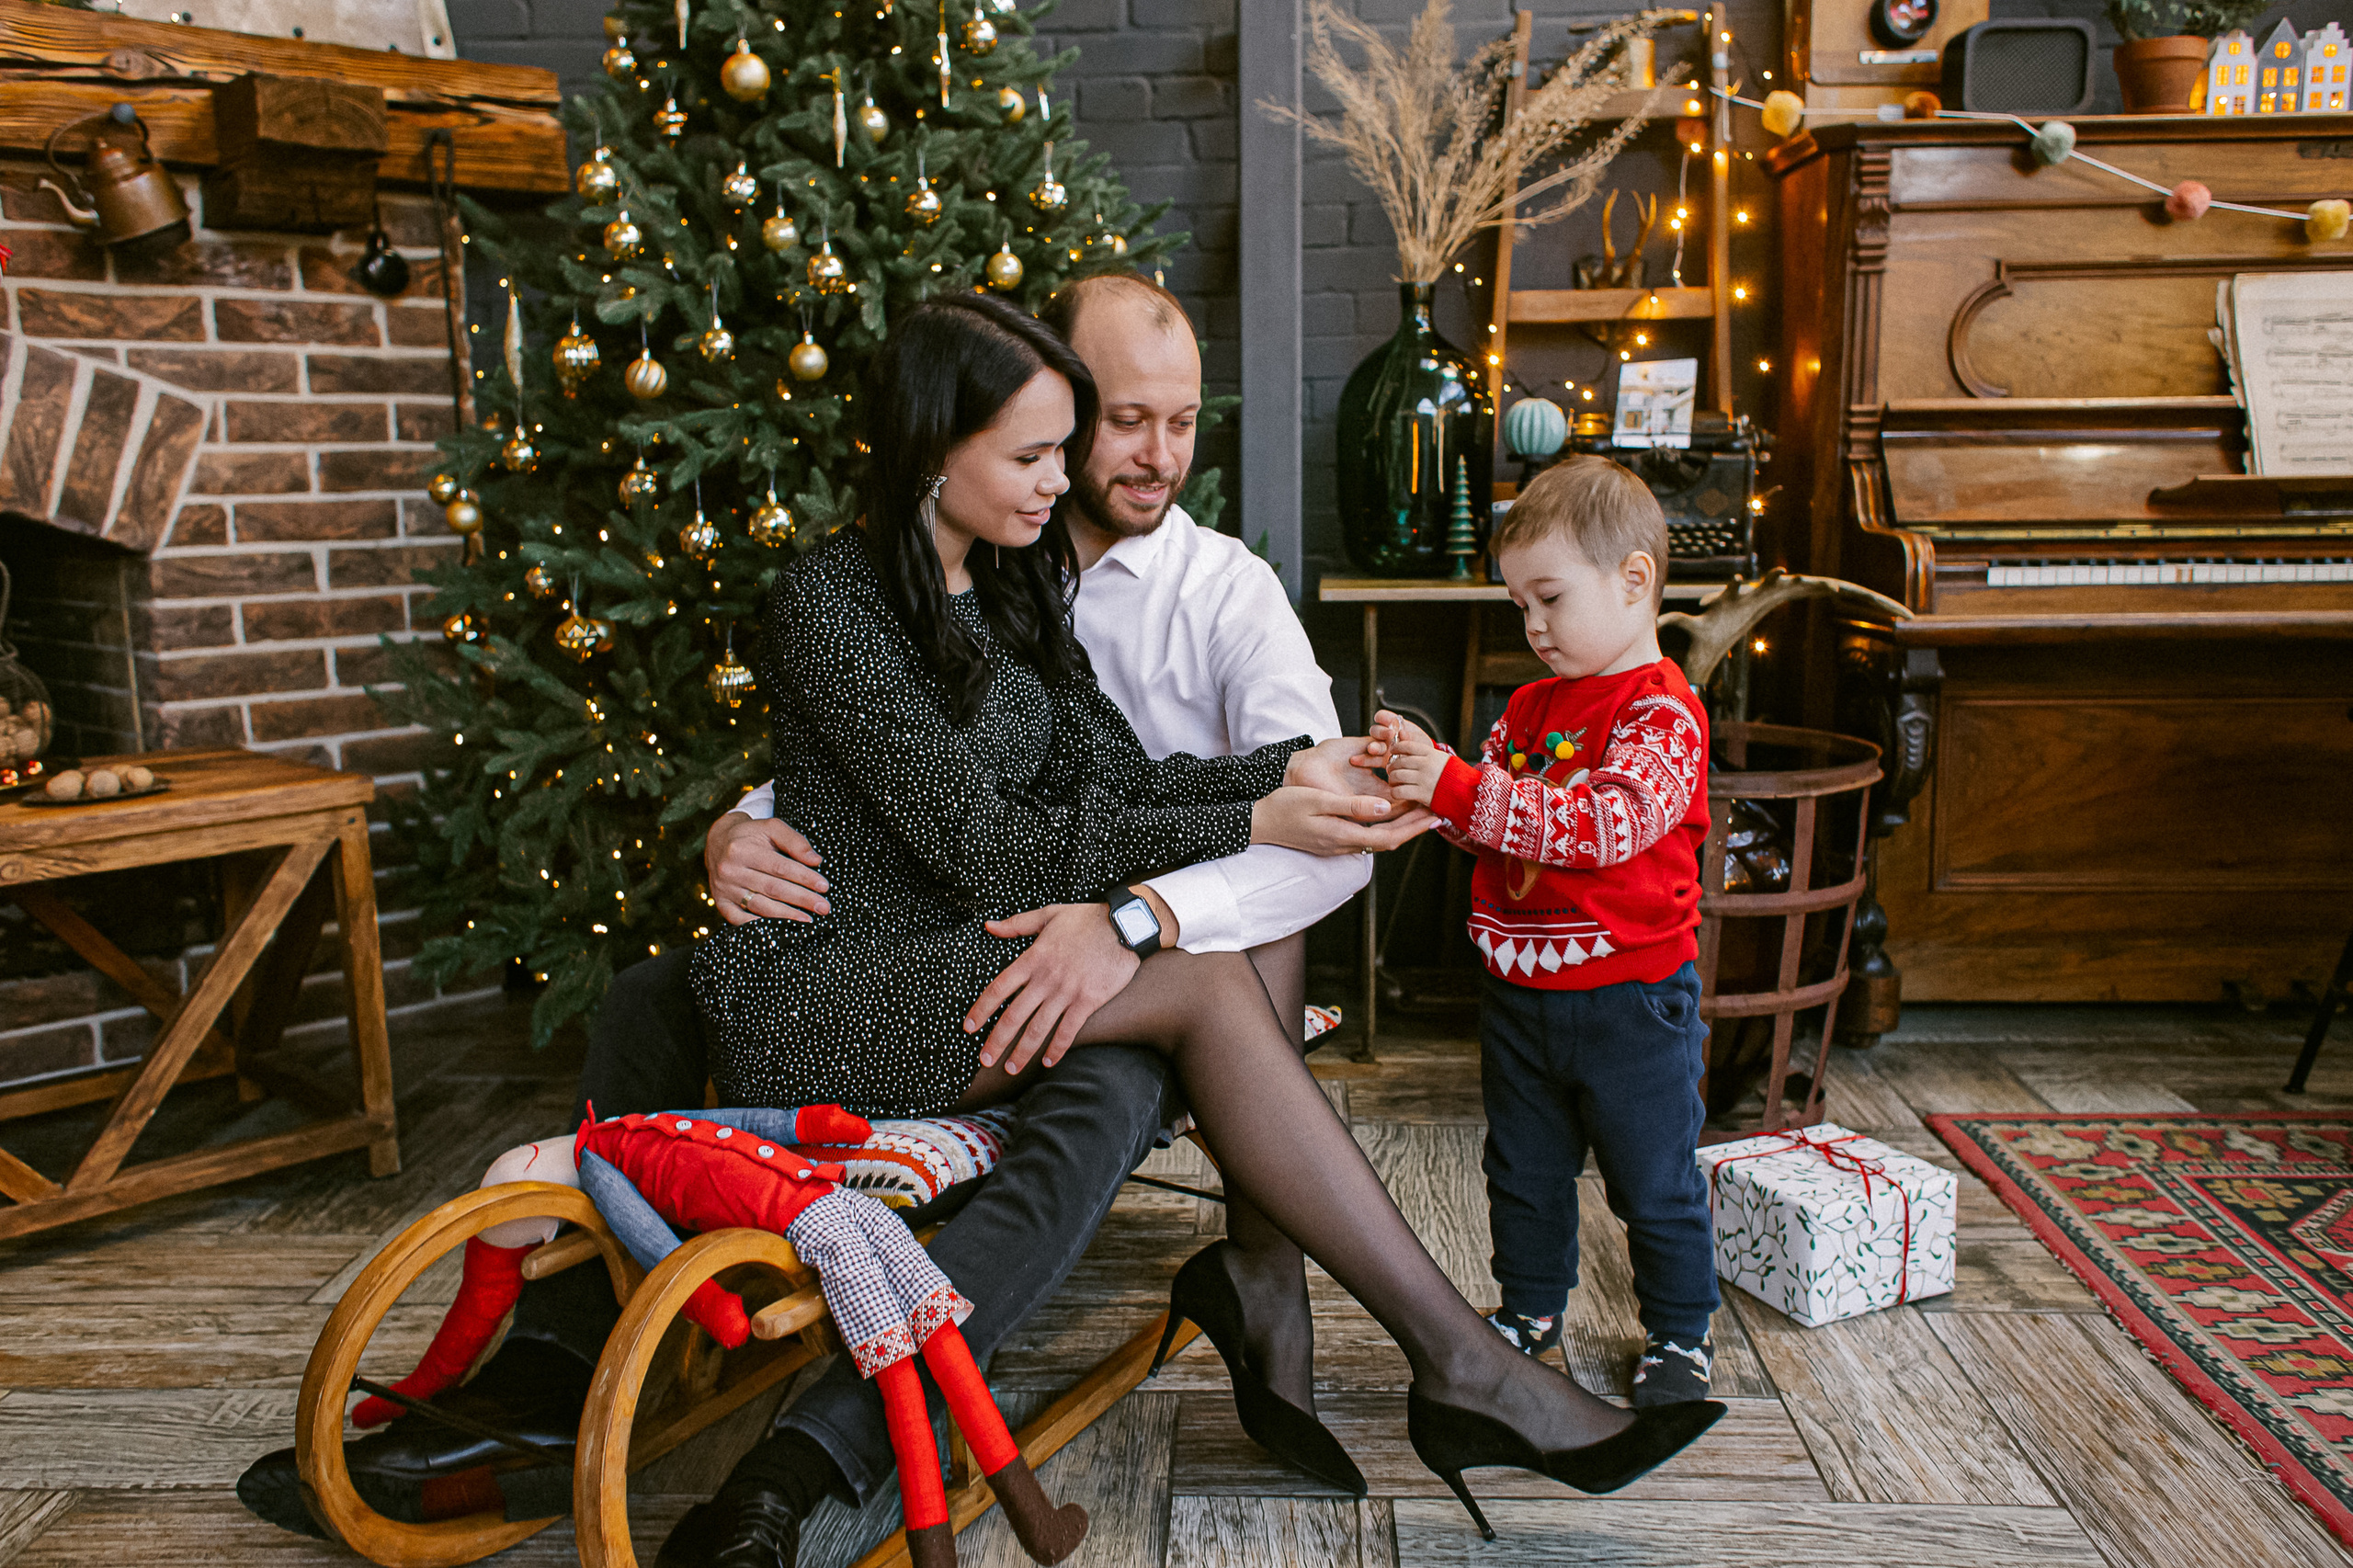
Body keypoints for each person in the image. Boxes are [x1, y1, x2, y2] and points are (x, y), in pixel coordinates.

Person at [233, 275, 1414, 1560]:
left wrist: (1261, 796)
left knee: (1151, 1031)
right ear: (948, 442)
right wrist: (726, 835)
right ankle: (554, 1377)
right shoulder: (866, 594)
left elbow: (1169, 805)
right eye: (1053, 445)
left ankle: (808, 1461)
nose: (1092, 470)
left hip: (1024, 956)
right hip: (885, 971)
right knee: (1154, 995)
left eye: (1105, 441)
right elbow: (944, 824)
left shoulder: (1086, 591)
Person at [688, 295, 1722, 1559]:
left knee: (1198, 968)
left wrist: (1294, 772)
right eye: (1034, 453)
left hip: (969, 958)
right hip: (829, 986)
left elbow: (1116, 781)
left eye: (1069, 447)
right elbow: (986, 846)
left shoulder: (1012, 590)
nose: (1060, 479)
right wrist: (1258, 826)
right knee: (1201, 980)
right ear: (927, 448)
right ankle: (1457, 1361)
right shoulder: (833, 604)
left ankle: (1399, 1339)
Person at [1370, 456, 1722, 1410]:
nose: (1531, 625)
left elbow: (1598, 826)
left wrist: (1457, 788)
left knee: (1651, 1179)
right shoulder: (1527, 708)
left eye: (1550, 598)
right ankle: (1529, 1310)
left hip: (1631, 1001)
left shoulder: (1662, 713)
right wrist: (1419, 780)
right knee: (1522, 1168)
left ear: (1634, 580)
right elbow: (1485, 817)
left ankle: (1681, 1332)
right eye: (1519, 602)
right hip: (1521, 991)